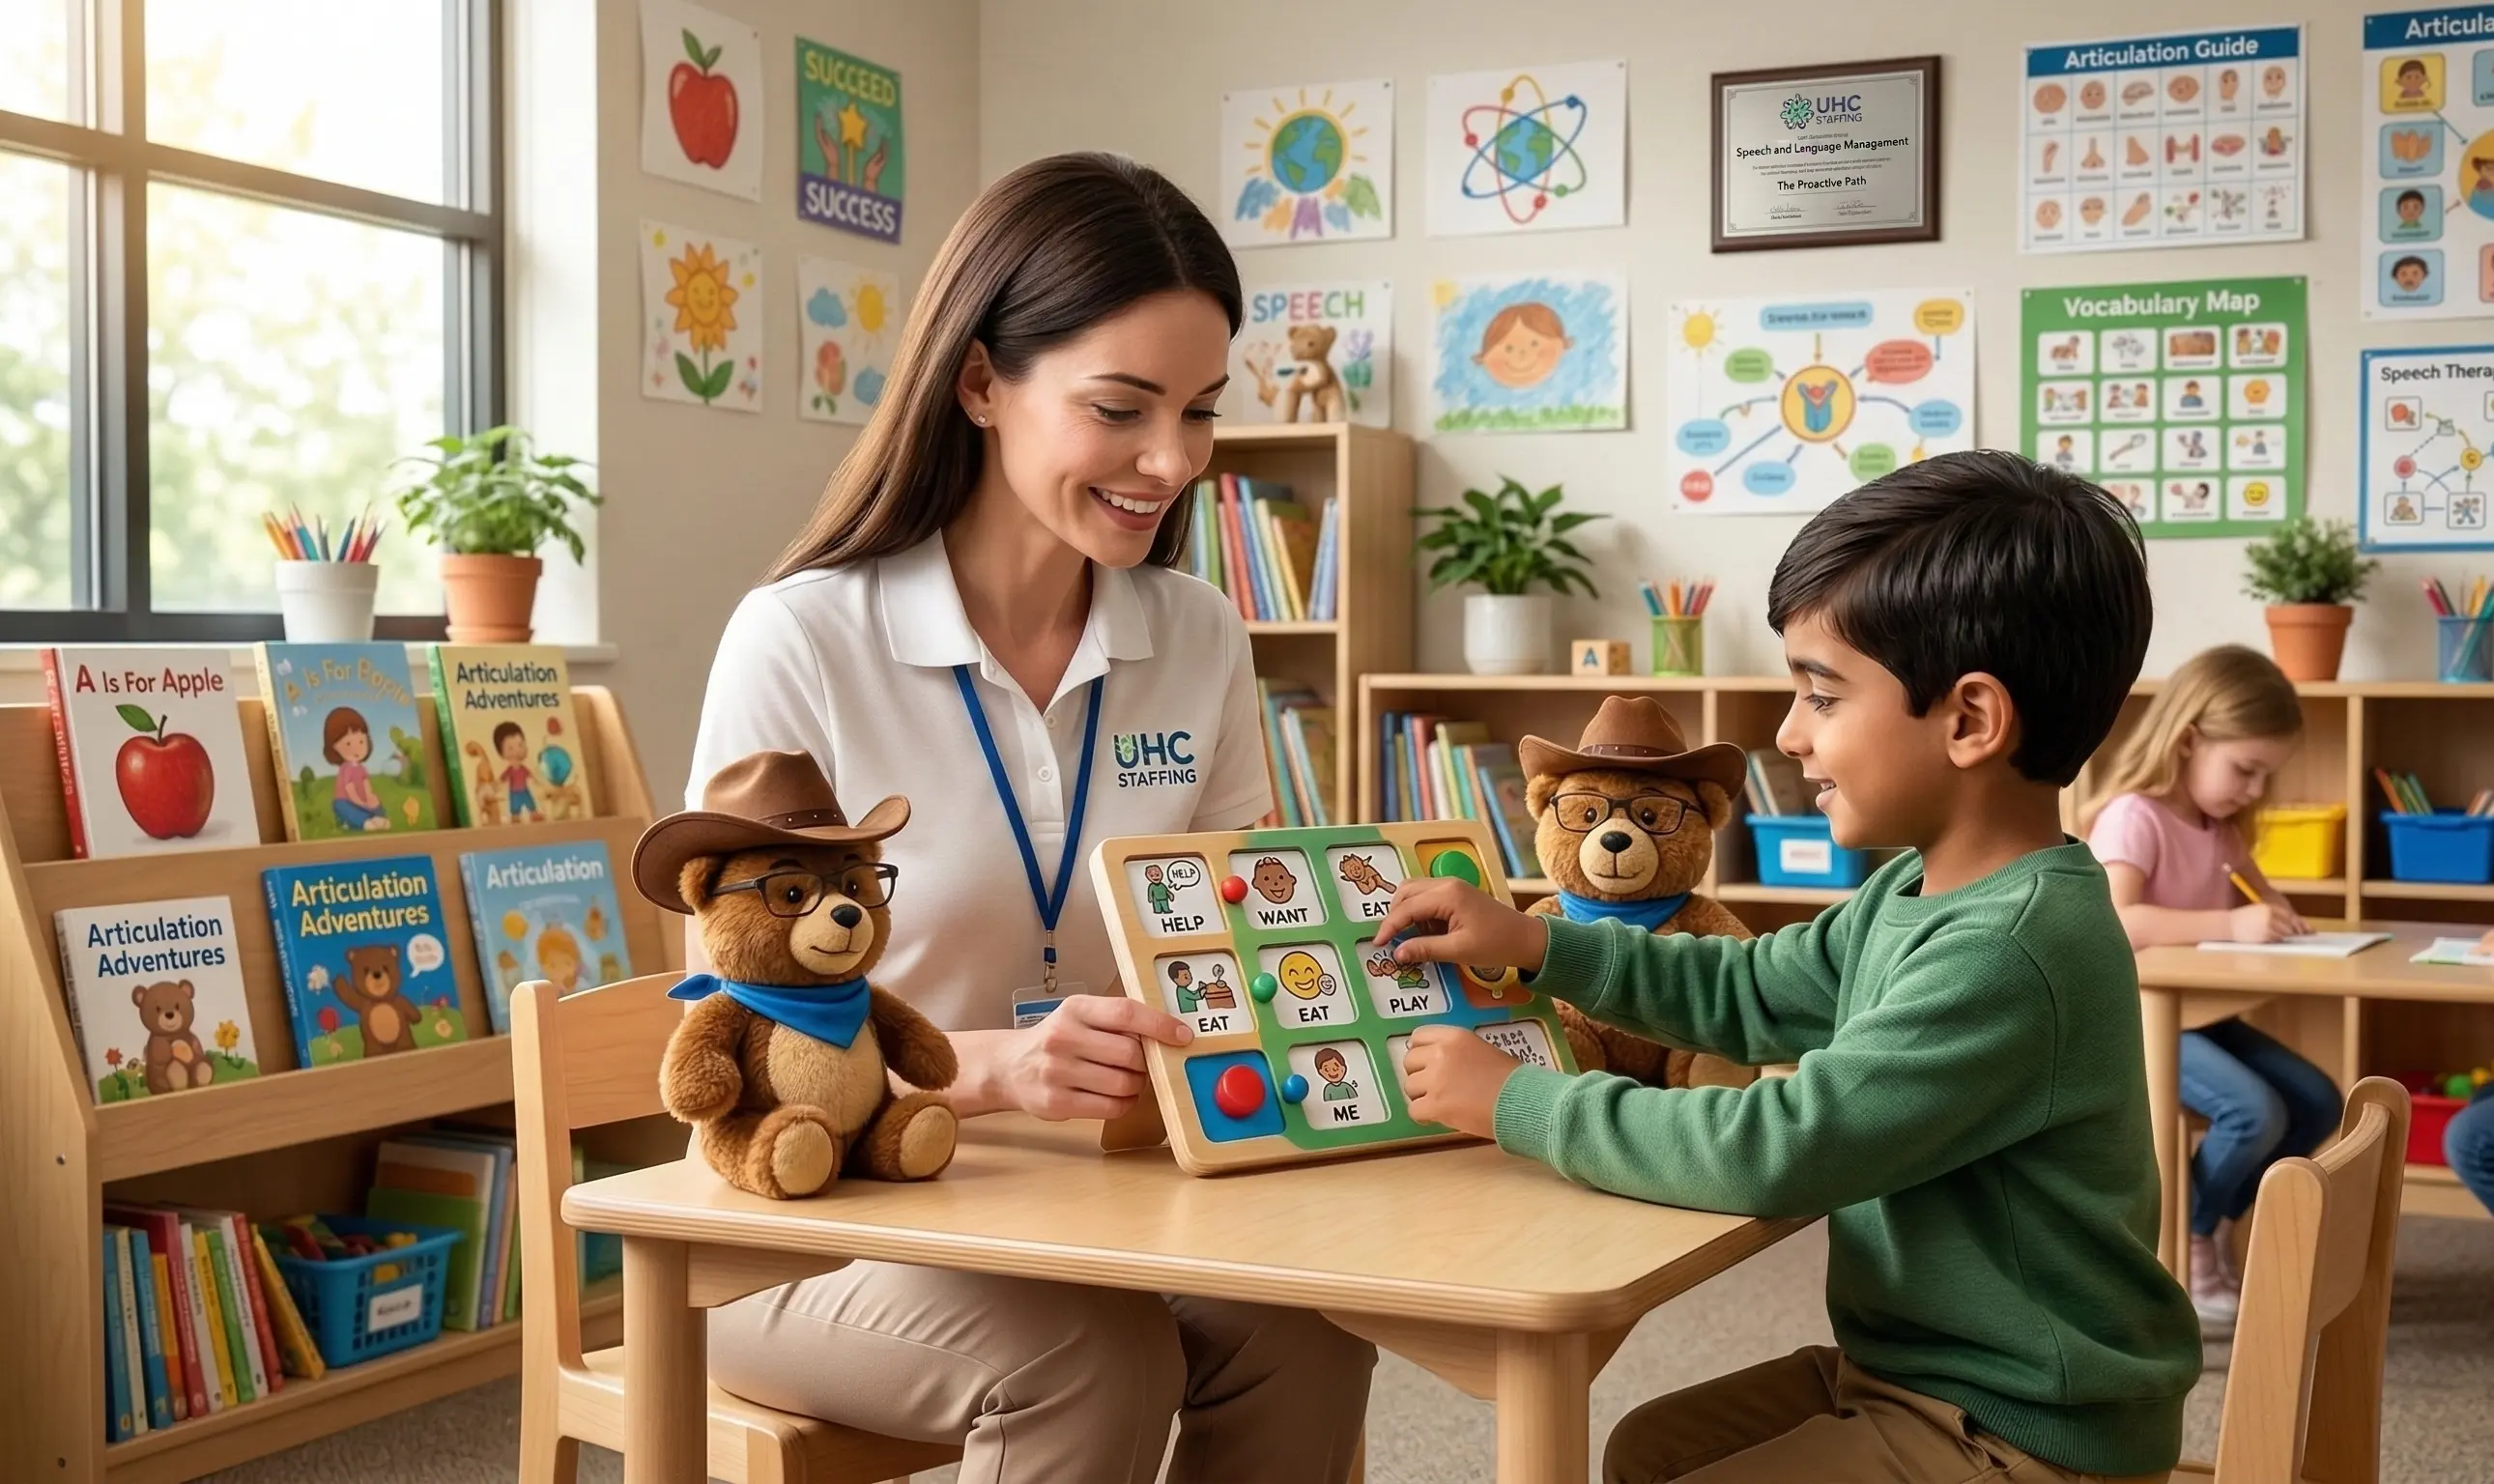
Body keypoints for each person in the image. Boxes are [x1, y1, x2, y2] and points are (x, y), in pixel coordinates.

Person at [679, 152, 1372, 1483]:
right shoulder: (804, 639)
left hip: (1100, 1196)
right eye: (1121, 408)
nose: (1173, 461)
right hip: (819, 1205)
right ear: (983, 381)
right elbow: (731, 1014)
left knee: (1313, 1327)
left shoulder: (1199, 635)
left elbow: (1229, 938)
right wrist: (992, 1070)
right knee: (1090, 1362)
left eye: (1200, 411)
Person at [1369, 450, 2199, 1484]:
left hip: (2018, 1425)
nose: (1787, 734)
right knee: (1645, 1448)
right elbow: (1747, 989)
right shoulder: (1917, 891)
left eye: (1821, 696)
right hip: (1921, 1370)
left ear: (1970, 721)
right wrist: (1539, 944)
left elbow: (1779, 1149)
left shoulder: (2006, 948)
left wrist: (1520, 1104)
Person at [2079, 643, 2342, 1331]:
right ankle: (2190, 1242)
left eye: (2264, 776)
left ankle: (2209, 1226)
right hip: (2137, 1015)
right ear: (2188, 738)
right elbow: (2118, 918)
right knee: (2253, 1112)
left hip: (2201, 1013)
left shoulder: (2214, 825)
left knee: (2316, 1103)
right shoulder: (2134, 816)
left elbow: (2259, 894)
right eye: (2245, 770)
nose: (2253, 791)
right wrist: (2232, 920)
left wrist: (2274, 913)